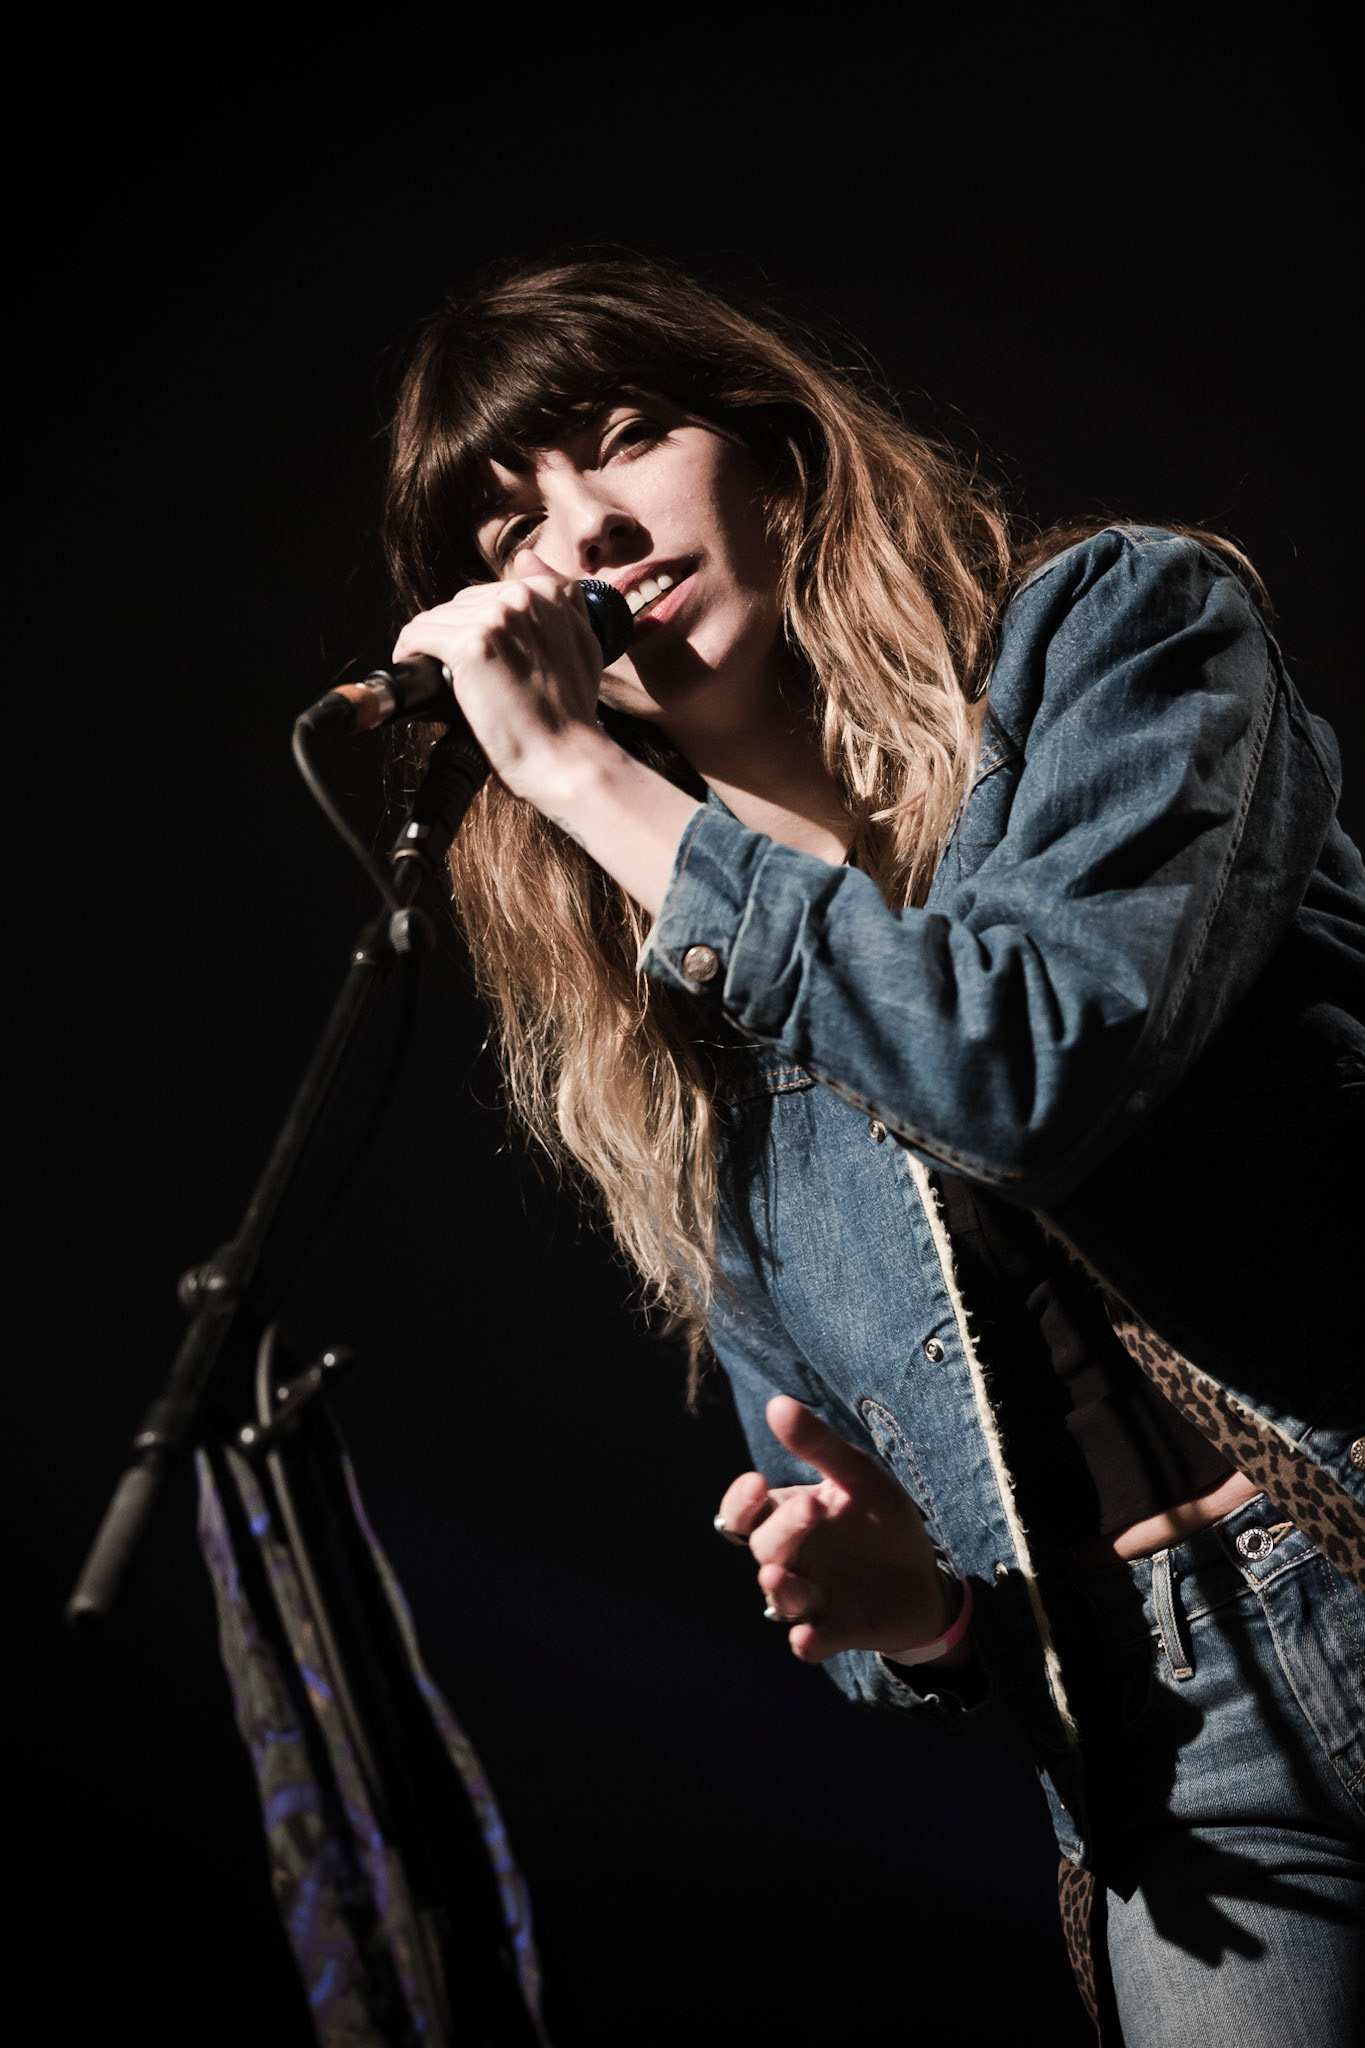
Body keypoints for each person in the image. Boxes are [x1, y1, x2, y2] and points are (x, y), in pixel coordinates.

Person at [380, 254, 1365, 2041]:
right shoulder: (676, 1036)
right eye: (514, 520)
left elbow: (1030, 1064)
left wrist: (593, 785)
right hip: (1176, 1753)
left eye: (623, 440)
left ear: (772, 447)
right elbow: (893, 1539)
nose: (586, 532)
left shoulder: (1117, 632)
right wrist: (917, 1621)